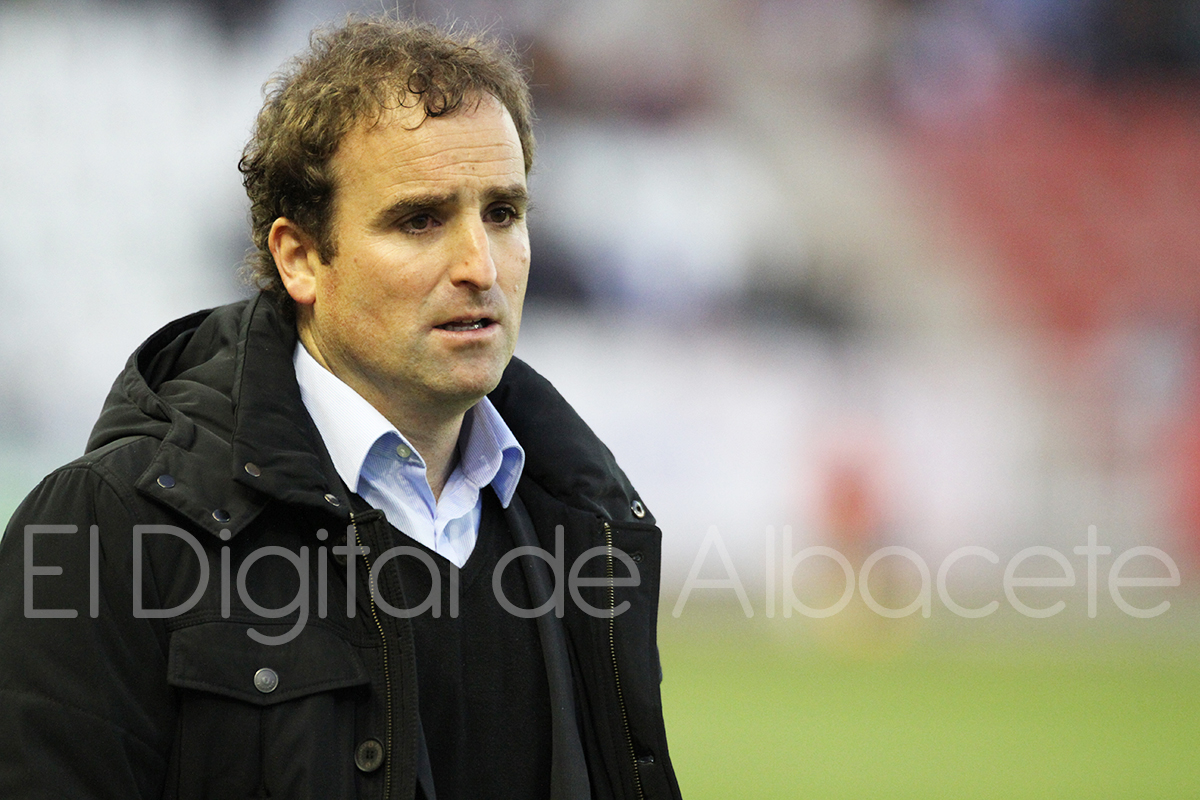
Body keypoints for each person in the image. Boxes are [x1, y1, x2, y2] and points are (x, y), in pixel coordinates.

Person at [0, 17, 681, 800]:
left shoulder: (586, 523)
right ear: (299, 258)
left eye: (502, 213)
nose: (480, 265)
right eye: (420, 220)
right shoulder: (106, 527)